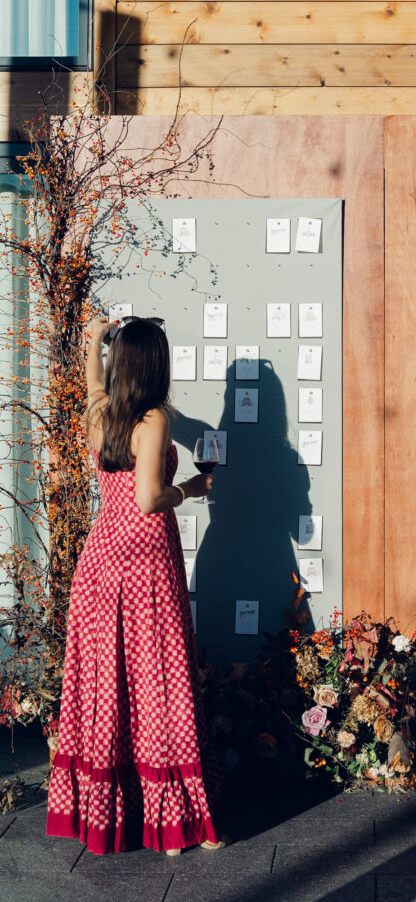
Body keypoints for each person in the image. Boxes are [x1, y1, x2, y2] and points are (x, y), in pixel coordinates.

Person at [46, 316, 226, 856]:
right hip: (145, 562)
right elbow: (149, 499)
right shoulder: (153, 421)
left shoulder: (101, 414)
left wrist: (93, 339)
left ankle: (113, 817)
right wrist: (189, 489)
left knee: (108, 688)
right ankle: (173, 826)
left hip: (100, 563)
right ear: (156, 365)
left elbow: (95, 383)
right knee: (159, 684)